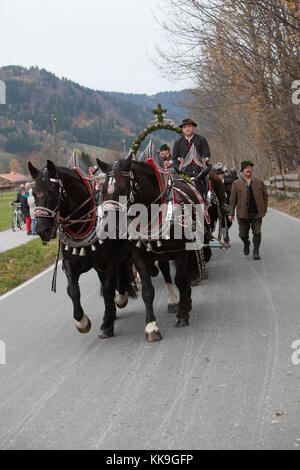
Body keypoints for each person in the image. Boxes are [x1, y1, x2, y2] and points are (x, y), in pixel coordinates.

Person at [229, 160, 268, 260]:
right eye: (246, 168)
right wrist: (231, 213)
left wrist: (264, 209)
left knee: (257, 232)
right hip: (243, 214)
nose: (249, 170)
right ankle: (246, 244)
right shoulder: (236, 183)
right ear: (242, 170)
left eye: (250, 168)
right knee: (243, 234)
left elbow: (265, 196)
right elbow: (233, 200)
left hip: (257, 213)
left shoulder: (259, 182)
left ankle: (256, 251)